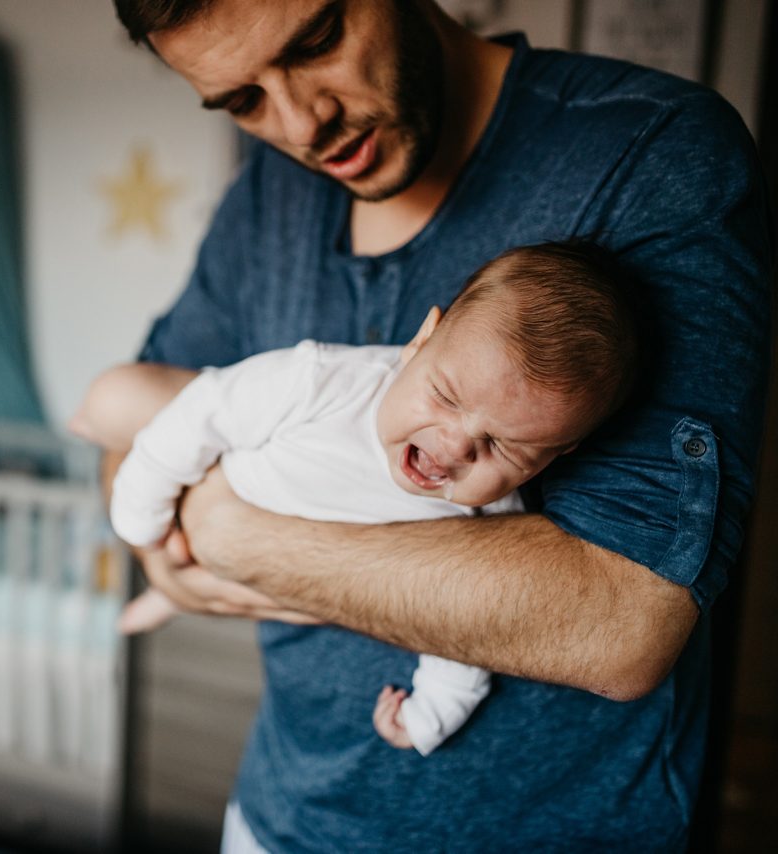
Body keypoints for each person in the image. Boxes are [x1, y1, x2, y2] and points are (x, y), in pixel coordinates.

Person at [104, 0, 771, 849]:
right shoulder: (266, 198)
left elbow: (621, 626)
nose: (303, 121)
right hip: (281, 817)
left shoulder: (652, 153)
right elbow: (139, 418)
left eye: (316, 42)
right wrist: (155, 549)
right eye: (243, 102)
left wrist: (222, 528)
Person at [75, 242, 640, 757]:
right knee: (125, 402)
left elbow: (463, 623)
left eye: (503, 447)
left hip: (280, 567)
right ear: (420, 343)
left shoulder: (488, 517)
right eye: (444, 395)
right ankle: (170, 583)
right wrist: (141, 515)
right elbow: (205, 412)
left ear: (551, 457)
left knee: (237, 576)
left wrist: (433, 712)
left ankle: (175, 592)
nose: (454, 446)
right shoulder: (326, 379)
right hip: (232, 476)